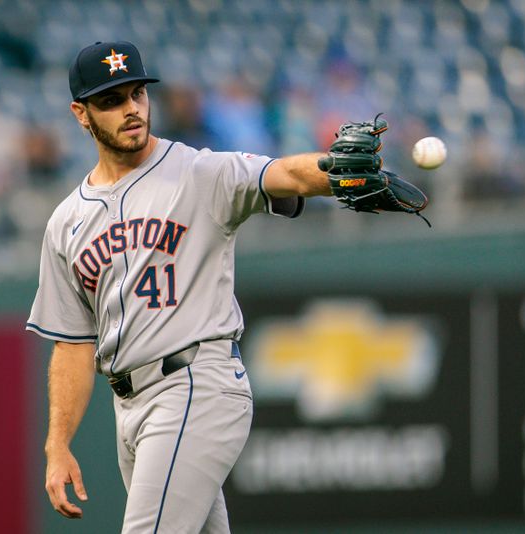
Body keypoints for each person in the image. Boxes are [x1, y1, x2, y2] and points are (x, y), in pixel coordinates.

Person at [26, 40, 424, 534]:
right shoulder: (66, 221)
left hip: (195, 386)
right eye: (111, 100)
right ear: (80, 114)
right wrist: (57, 444)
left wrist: (331, 171)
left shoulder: (198, 172)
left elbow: (283, 174)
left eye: (137, 94)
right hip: (129, 410)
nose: (131, 109)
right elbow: (72, 344)